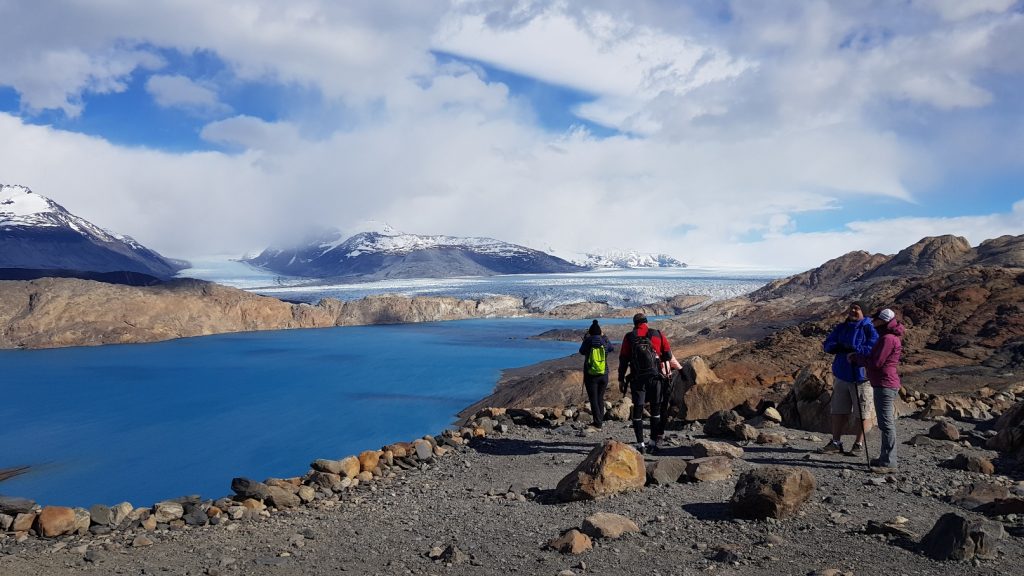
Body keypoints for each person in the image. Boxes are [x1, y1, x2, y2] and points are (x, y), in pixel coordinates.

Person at [817, 301, 879, 455]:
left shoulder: (870, 327)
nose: (852, 311)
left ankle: (858, 443)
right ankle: (836, 442)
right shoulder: (842, 327)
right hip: (842, 375)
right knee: (838, 410)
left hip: (861, 376)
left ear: (864, 311)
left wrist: (855, 350)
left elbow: (874, 346)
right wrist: (835, 347)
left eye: (857, 308)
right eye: (851, 308)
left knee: (862, 412)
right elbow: (828, 343)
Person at [852, 308, 904, 471]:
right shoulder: (888, 336)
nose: (873, 323)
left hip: (885, 384)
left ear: (883, 321)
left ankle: (889, 462)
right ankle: (885, 458)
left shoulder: (887, 339)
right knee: (885, 423)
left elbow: (876, 362)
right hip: (885, 383)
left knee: (886, 424)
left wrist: (857, 359)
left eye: (876, 320)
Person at [617, 313, 672, 454]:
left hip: (637, 379)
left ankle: (640, 444)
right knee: (655, 411)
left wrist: (621, 379)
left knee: (638, 410)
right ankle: (653, 443)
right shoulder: (657, 334)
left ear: (634, 323)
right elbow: (668, 355)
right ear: (646, 322)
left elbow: (623, 359)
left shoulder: (629, 337)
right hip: (655, 378)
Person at [579, 320, 615, 429]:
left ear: (590, 332)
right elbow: (611, 348)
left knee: (593, 399)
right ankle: (600, 420)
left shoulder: (588, 341)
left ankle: (597, 422)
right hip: (604, 374)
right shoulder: (604, 341)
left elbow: (581, 351)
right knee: (600, 397)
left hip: (591, 375)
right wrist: (605, 336)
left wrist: (586, 339)